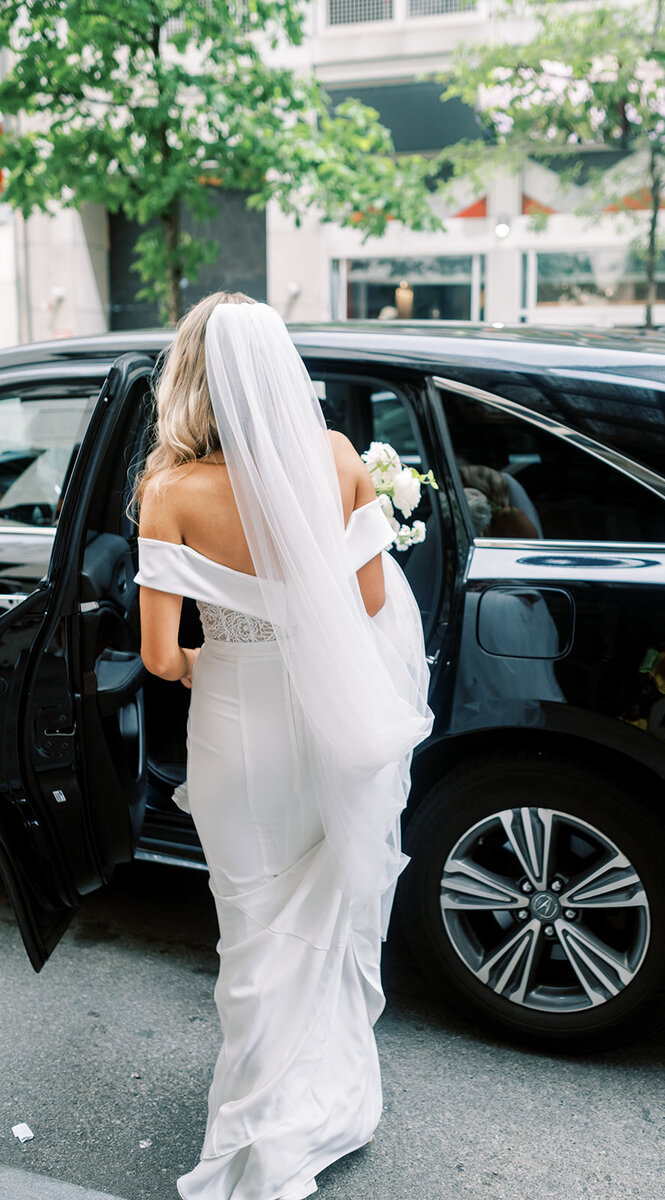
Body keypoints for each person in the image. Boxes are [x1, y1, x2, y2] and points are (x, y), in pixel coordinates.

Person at [132, 293, 433, 1200]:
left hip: (236, 726)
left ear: (190, 379)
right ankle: (314, 1110)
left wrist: (204, 657)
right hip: (326, 724)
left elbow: (156, 654)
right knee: (320, 908)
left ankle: (258, 1128)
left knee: (251, 922)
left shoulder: (170, 491)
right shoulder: (338, 459)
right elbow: (373, 605)